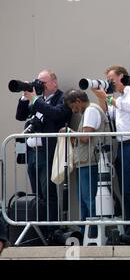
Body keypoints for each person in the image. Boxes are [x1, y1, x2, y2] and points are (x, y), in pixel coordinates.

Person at [91, 65, 130, 242]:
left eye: (112, 79)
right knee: (125, 189)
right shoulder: (120, 96)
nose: (110, 83)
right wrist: (101, 96)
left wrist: (107, 97)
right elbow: (108, 112)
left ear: (122, 76)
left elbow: (129, 109)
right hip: (123, 145)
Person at [15, 70, 72, 233]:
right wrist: (25, 96)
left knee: (49, 194)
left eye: (44, 83)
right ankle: (40, 231)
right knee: (37, 195)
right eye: (38, 82)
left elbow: (56, 114)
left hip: (47, 152)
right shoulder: (36, 100)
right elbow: (20, 116)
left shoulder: (62, 98)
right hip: (32, 152)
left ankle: (51, 230)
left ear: (54, 83)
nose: (40, 86)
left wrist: (35, 99)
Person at [63, 89, 111, 235]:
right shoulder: (91, 110)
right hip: (87, 161)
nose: (74, 110)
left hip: (91, 162)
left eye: (73, 107)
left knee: (89, 199)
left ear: (78, 101)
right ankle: (87, 233)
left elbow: (86, 137)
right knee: (84, 199)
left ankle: (92, 234)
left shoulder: (90, 111)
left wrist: (69, 132)